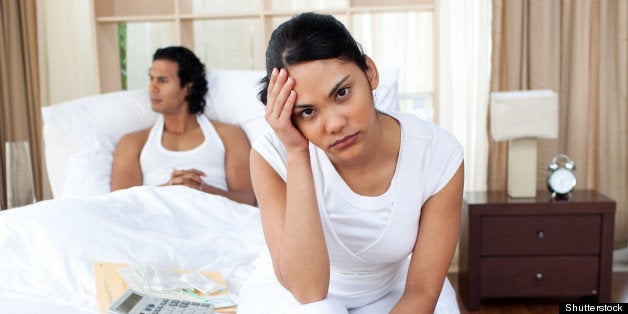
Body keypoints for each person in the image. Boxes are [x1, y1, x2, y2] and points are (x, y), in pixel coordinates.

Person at [237, 12, 464, 313]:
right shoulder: (272, 154)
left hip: (389, 294)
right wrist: (297, 154)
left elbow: (421, 291)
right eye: (307, 112)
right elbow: (308, 291)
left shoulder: (438, 154)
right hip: (291, 297)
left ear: (369, 72)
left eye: (342, 93)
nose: (333, 124)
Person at [110, 46, 256, 206]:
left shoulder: (229, 135)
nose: (152, 88)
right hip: (157, 223)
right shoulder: (133, 142)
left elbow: (247, 200)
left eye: (163, 80)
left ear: (188, 87)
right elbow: (120, 205)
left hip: (214, 220)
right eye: (151, 79)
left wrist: (203, 190)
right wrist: (169, 189)